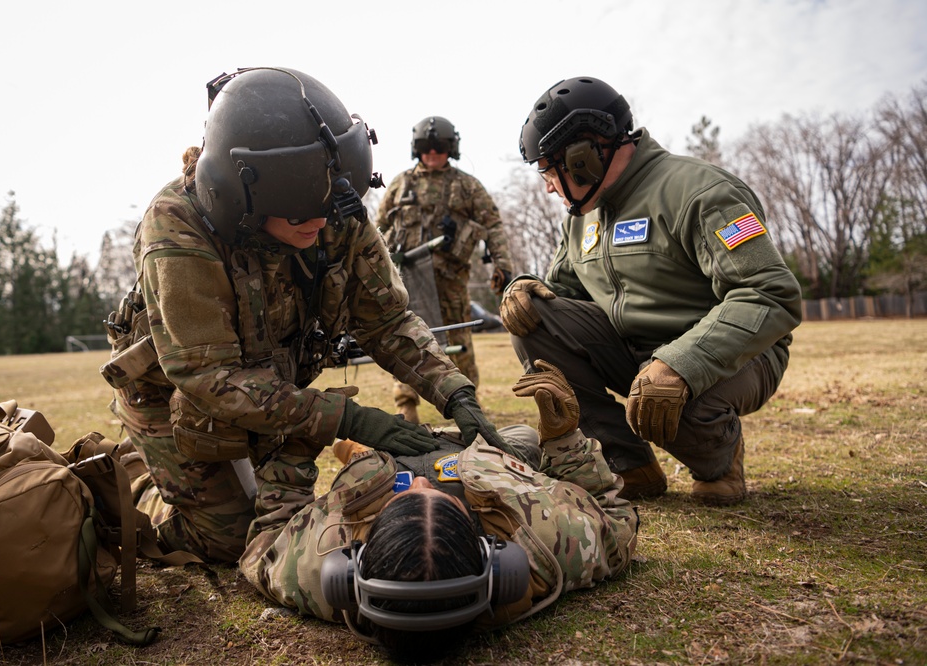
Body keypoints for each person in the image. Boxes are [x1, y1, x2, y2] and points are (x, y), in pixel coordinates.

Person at [101, 67, 507, 564]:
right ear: (241, 198)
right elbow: (207, 374)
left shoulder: (330, 206)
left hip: (276, 384)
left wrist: (455, 392)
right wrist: (347, 418)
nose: (319, 223)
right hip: (177, 399)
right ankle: (132, 479)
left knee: (280, 514)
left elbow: (387, 321)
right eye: (298, 214)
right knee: (229, 541)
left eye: (328, 207)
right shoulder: (178, 226)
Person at [500, 76, 803, 505]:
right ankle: (628, 465)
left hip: (735, 355)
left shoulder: (700, 191)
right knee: (533, 319)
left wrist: (681, 363)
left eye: (550, 169)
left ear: (583, 156)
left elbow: (770, 294)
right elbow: (562, 294)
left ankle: (720, 456)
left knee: (663, 391)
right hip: (635, 354)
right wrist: (523, 289)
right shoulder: (580, 216)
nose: (548, 185)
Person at [239, 360, 638, 661]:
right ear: (496, 559)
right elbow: (614, 517)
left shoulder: (312, 566)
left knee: (362, 459)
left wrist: (302, 443)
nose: (422, 483)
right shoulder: (547, 545)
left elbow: (265, 539)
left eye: (402, 502)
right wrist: (565, 440)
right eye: (446, 503)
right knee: (525, 438)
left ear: (349, 569)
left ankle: (352, 452)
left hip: (384, 458)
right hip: (482, 456)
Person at [376, 116, 514, 424]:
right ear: (417, 149)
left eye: (440, 146)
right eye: (427, 146)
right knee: (405, 340)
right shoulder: (400, 184)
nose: (433, 152)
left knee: (458, 341)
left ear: (451, 148)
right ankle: (406, 405)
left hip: (450, 281)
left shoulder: (466, 185)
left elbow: (492, 223)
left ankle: (467, 405)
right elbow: (377, 229)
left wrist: (502, 264)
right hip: (408, 281)